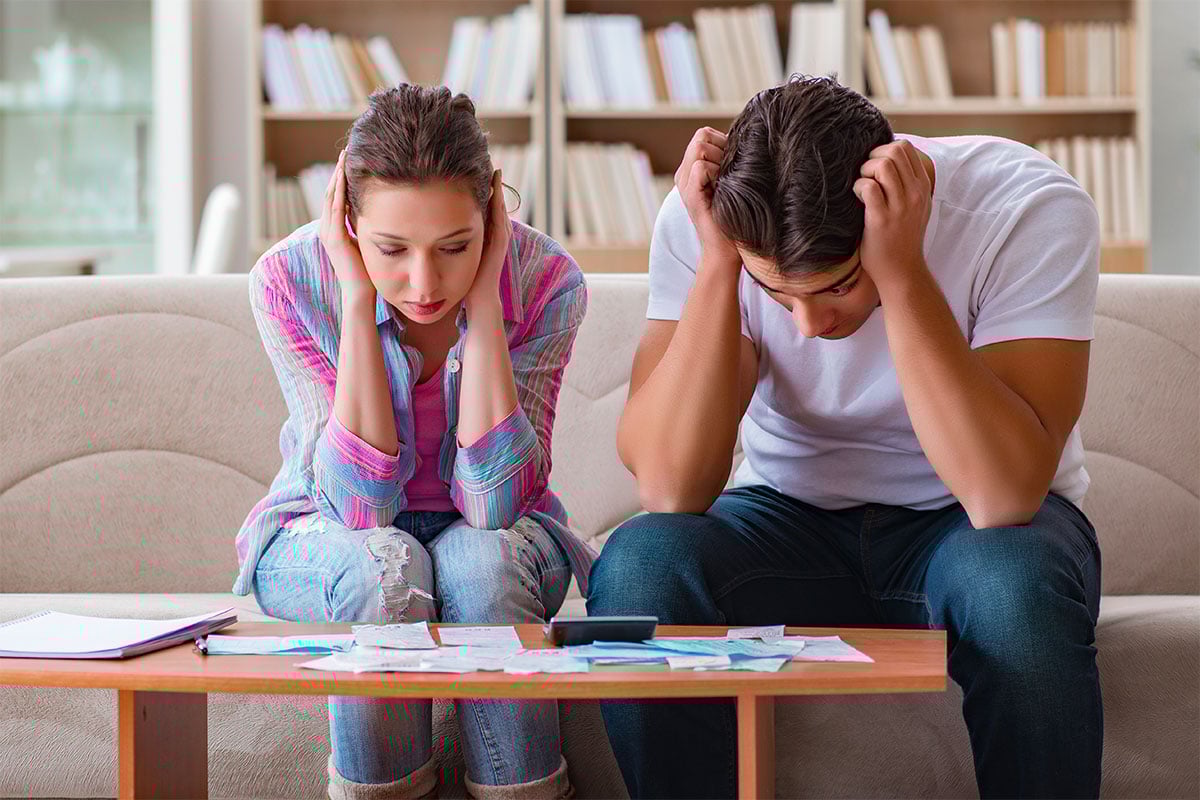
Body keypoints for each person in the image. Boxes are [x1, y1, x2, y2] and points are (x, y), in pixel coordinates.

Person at [587, 75, 1102, 799]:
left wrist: (901, 272)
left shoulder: (1024, 207)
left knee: (1014, 589)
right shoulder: (710, 220)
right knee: (641, 564)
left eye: (837, 285)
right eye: (778, 294)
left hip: (975, 530)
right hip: (786, 521)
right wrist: (717, 267)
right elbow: (671, 486)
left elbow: (1001, 494)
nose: (809, 327)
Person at [231, 84, 593, 800]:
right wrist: (356, 298)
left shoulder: (548, 282)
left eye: (455, 247)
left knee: (481, 570)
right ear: (347, 219)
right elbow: (357, 509)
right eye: (391, 249)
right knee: (386, 568)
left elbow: (496, 506)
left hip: (502, 536)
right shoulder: (288, 281)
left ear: (490, 217)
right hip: (324, 531)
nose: (424, 283)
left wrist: (486, 303)